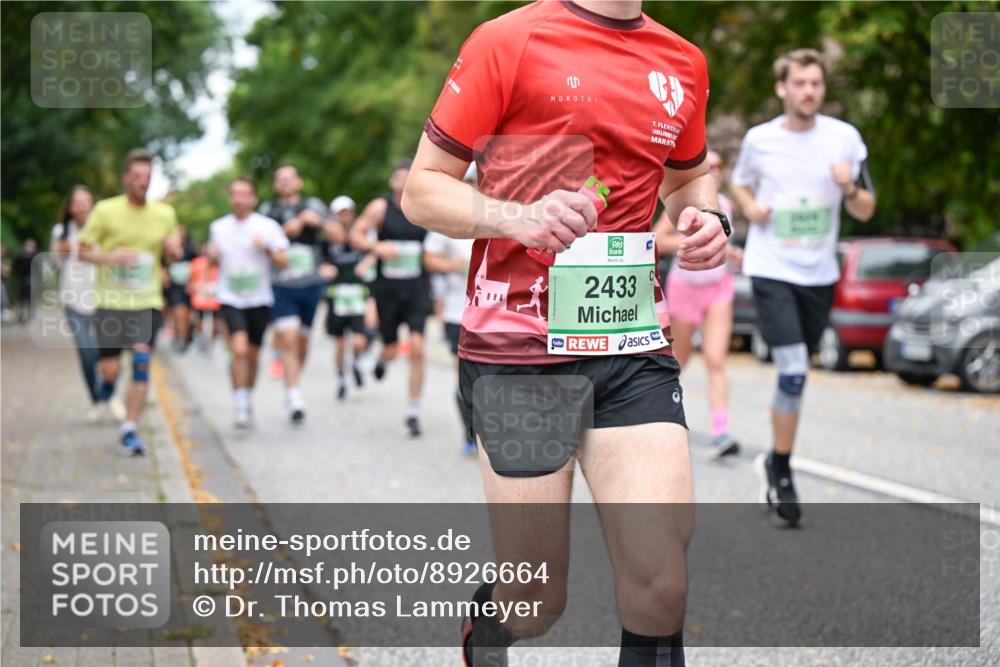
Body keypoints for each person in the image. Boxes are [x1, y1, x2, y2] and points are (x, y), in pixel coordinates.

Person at [402, 1, 731, 665]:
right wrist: (516, 218)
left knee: (661, 579)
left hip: (631, 346)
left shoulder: (682, 61)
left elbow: (690, 175)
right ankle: (486, 631)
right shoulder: (509, 40)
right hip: (517, 353)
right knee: (534, 603)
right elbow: (422, 190)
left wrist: (706, 218)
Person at [729, 48, 876, 527]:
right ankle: (784, 468)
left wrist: (850, 187)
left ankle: (774, 460)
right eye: (800, 83)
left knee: (800, 371)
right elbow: (740, 185)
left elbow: (866, 210)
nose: (809, 91)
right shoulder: (760, 139)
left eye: (816, 83)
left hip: (819, 275)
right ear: (783, 88)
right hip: (772, 267)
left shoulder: (845, 140)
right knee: (791, 368)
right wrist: (750, 208)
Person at [79, 149, 182, 455]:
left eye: (148, 177)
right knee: (110, 368)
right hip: (110, 300)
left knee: (141, 360)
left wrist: (173, 249)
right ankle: (108, 387)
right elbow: (82, 250)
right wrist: (112, 256)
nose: (143, 182)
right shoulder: (106, 211)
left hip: (146, 299)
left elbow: (174, 254)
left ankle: (130, 429)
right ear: (125, 178)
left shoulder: (164, 213)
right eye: (137, 176)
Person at [654, 150, 741, 458]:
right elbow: (657, 239)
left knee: (716, 359)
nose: (714, 171)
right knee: (678, 360)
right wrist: (688, 242)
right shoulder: (682, 201)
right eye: (710, 166)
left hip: (718, 287)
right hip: (685, 287)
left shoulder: (725, 206)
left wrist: (731, 253)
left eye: (719, 166)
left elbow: (724, 245)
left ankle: (721, 433)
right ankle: (660, 418)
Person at [351, 159, 433, 438]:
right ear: (392, 181)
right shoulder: (380, 208)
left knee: (419, 348)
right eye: (399, 176)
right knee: (391, 348)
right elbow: (355, 234)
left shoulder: (425, 207)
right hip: (387, 287)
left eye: (408, 176)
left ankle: (413, 410)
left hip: (417, 286)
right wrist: (376, 246)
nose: (403, 180)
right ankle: (383, 360)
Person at [258, 164, 344, 423]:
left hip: (310, 284)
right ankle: (294, 395)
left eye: (289, 178)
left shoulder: (314, 205)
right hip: (281, 284)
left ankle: (293, 382)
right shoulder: (267, 211)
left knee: (303, 341)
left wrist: (316, 222)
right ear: (275, 185)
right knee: (287, 337)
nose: (285, 183)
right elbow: (258, 243)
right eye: (280, 179)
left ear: (299, 182)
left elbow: (339, 236)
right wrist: (286, 230)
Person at [207, 177, 290, 428]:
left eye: (244, 194)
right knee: (239, 350)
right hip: (230, 298)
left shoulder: (267, 226)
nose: (239, 199)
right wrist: (211, 256)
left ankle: (246, 396)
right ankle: (239, 402)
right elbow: (212, 260)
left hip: (259, 299)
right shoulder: (218, 227)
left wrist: (265, 248)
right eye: (235, 194)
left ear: (253, 198)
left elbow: (284, 262)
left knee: (253, 356)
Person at [51, 185, 126, 423]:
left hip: (103, 298)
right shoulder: (62, 231)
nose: (82, 206)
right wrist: (64, 249)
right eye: (77, 202)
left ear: (94, 204)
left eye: (86, 201)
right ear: (70, 208)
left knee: (109, 354)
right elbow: (55, 260)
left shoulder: (105, 228)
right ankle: (96, 400)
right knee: (87, 353)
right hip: (74, 299)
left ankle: (110, 394)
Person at [423, 164, 477, 455]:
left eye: (476, 181)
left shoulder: (505, 213)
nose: (471, 186)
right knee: (466, 375)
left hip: (495, 312)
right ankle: (469, 430)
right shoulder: (447, 219)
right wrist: (451, 266)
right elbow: (429, 258)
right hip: (458, 312)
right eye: (467, 181)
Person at [322, 195, 374, 401]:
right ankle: (342, 379)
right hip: (338, 296)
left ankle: (355, 364)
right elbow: (320, 260)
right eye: (340, 213)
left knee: (360, 341)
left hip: (358, 294)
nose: (344, 216)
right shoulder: (327, 240)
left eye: (347, 212)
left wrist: (368, 262)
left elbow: (374, 251)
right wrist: (324, 268)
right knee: (341, 343)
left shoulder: (361, 236)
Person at [164, 225, 198, 352]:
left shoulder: (190, 251)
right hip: (173, 288)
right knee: (177, 312)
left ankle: (185, 336)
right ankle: (180, 337)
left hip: (188, 287)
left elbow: (199, 265)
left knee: (186, 314)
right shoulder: (165, 252)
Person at [187, 247, 222, 354]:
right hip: (200, 298)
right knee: (199, 320)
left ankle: (211, 340)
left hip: (216, 299)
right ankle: (201, 337)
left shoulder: (221, 265)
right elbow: (190, 281)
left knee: (216, 322)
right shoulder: (197, 263)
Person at [12, 238, 39, 323]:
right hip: (28, 279)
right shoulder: (35, 255)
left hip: (23, 279)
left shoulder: (19, 255)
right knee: (27, 299)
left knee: (23, 299)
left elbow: (15, 267)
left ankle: (24, 315)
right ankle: (28, 315)